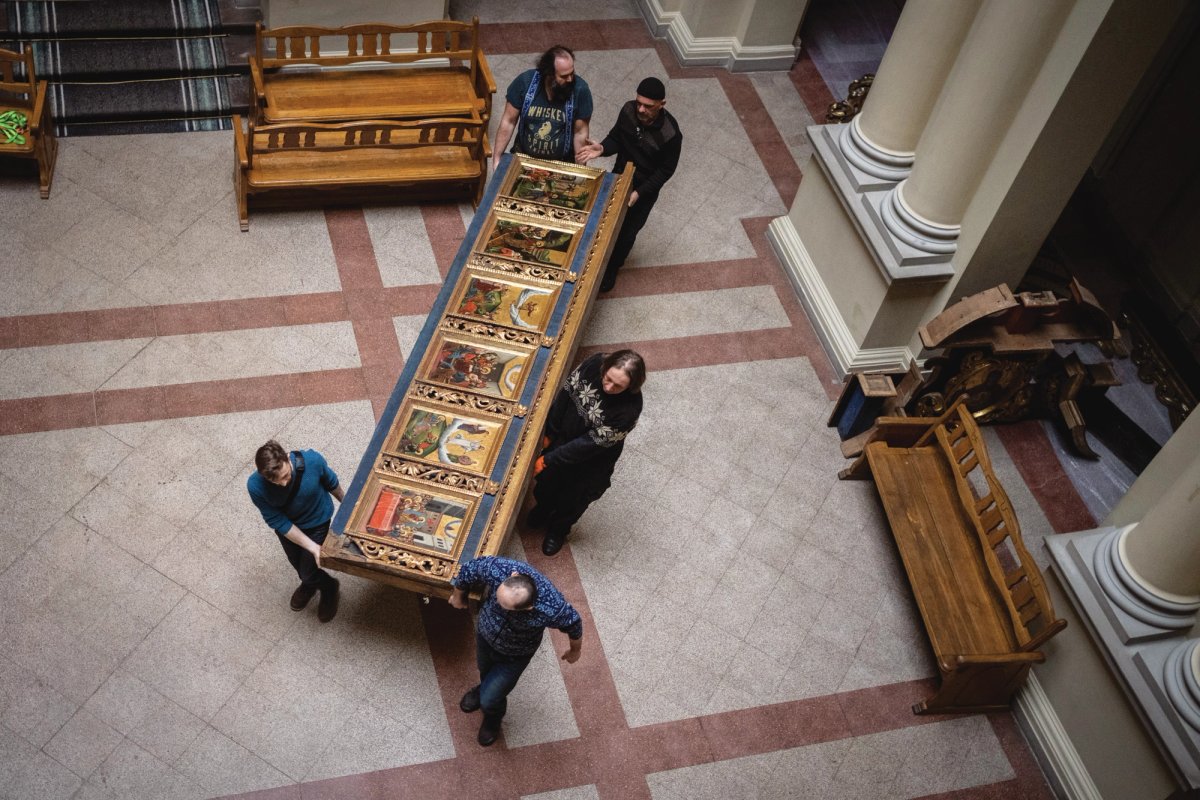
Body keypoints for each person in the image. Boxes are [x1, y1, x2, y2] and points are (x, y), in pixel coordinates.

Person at [449, 555, 583, 746]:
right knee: (484, 669)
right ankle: (483, 688)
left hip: (515, 654)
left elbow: (574, 624)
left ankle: (492, 716)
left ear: (528, 608)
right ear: (512, 576)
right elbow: (470, 568)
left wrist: (574, 651)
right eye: (498, 598)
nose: (499, 606)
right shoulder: (501, 570)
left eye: (506, 607)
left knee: (491, 699)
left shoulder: (551, 608)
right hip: (485, 636)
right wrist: (457, 595)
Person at [528, 350, 645, 555]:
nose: (608, 387)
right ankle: (543, 508)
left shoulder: (628, 411)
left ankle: (558, 530)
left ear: (631, 387)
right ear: (604, 367)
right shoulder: (593, 364)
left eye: (618, 386)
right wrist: (551, 432)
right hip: (563, 438)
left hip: (591, 463)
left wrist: (549, 459)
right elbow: (565, 394)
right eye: (607, 379)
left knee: (573, 499)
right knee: (546, 485)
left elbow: (588, 444)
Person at [576, 77, 682, 291]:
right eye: (639, 103)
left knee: (626, 234)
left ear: (662, 104)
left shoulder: (671, 135)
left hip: (644, 189)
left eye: (648, 106)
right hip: (620, 175)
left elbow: (666, 171)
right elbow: (617, 137)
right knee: (603, 219)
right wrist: (603, 148)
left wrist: (639, 192)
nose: (641, 110)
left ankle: (611, 268)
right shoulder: (628, 110)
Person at [247, 440, 343, 622]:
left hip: (317, 521)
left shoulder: (313, 461)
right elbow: (278, 521)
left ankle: (329, 587)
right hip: (289, 528)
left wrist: (348, 507)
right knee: (298, 565)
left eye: (285, 476)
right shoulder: (255, 486)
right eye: (274, 481)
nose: (282, 484)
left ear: (288, 460)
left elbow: (332, 483)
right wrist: (313, 548)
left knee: (307, 571)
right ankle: (310, 583)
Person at [491, 45, 592, 170]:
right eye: (564, 76)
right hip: (523, 158)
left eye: (572, 73)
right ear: (549, 74)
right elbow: (508, 121)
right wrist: (497, 158)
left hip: (561, 164)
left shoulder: (580, 91)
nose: (570, 79)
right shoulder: (525, 83)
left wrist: (580, 172)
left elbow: (580, 133)